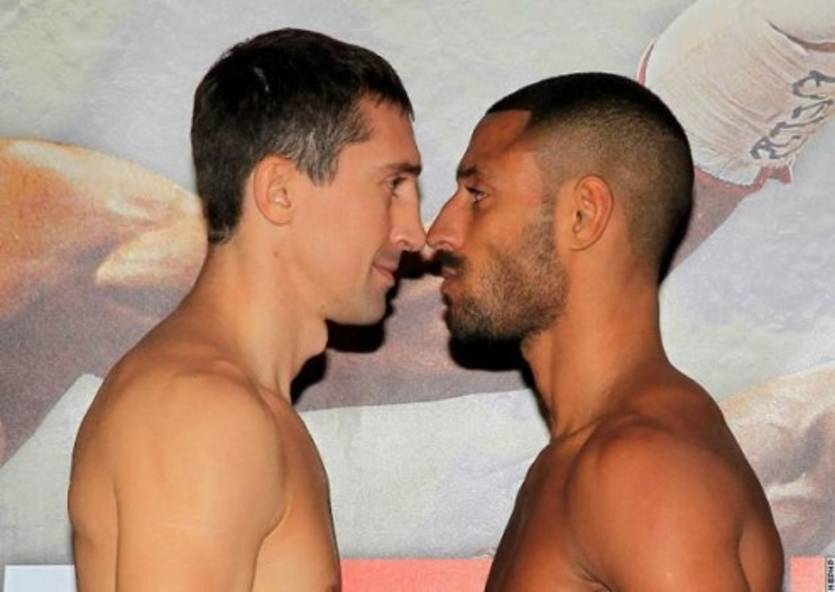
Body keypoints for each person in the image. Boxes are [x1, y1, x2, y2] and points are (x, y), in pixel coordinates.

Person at [68, 28, 424, 591]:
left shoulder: (235, 405)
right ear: (279, 190)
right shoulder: (204, 412)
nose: (414, 233)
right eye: (393, 185)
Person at [426, 72, 784, 590]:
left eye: (478, 193)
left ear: (583, 214)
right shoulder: (583, 458)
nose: (440, 232)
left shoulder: (641, 468)